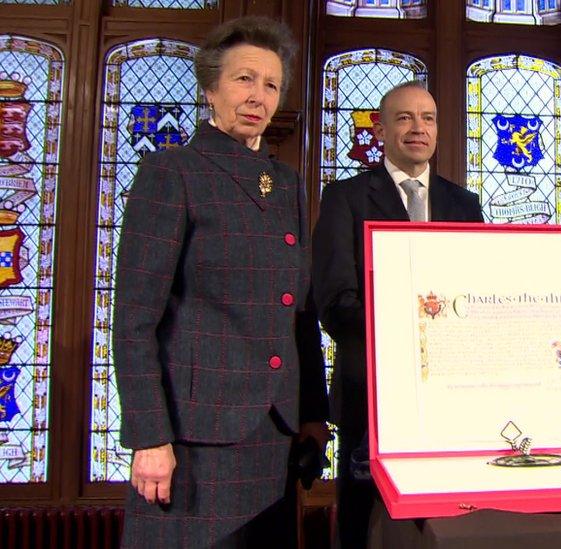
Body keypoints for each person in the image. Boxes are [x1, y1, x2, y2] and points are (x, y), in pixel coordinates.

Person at [113, 16, 328, 548]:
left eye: (272, 84)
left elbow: (298, 311)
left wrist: (313, 416)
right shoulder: (172, 172)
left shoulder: (285, 185)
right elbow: (135, 322)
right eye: (244, 79)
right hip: (194, 438)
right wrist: (149, 437)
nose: (258, 95)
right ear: (210, 88)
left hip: (274, 433)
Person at [312, 80, 483, 548]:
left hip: (452, 390)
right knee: (365, 522)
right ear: (382, 127)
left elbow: (477, 296)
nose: (417, 128)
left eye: (427, 118)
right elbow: (334, 304)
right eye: (404, 118)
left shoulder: (464, 205)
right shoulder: (344, 198)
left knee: (443, 521)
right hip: (371, 388)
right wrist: (412, 329)